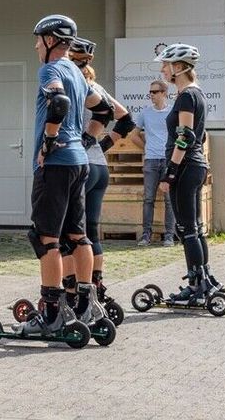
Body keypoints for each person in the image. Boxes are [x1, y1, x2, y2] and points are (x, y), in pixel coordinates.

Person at [15, 15, 114, 338]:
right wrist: (84, 141)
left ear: (52, 41)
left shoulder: (53, 69)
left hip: (55, 165)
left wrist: (48, 142)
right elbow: (105, 112)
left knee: (46, 239)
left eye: (38, 38)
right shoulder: (78, 71)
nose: (34, 44)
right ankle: (85, 303)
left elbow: (58, 102)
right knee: (78, 235)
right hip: (79, 162)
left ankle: (52, 313)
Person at [69, 37, 134, 309]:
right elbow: (127, 119)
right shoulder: (97, 87)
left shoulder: (75, 86)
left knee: (73, 232)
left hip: (80, 164)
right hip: (99, 167)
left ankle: (75, 290)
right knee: (92, 230)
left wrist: (86, 141)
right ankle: (96, 284)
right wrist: (101, 145)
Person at [155, 44, 215, 303]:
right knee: (196, 229)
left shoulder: (186, 96)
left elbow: (186, 136)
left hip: (186, 166)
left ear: (178, 68)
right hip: (195, 165)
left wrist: (170, 172)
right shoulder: (197, 94)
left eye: (166, 65)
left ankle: (196, 287)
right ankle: (204, 280)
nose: (163, 70)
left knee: (186, 229)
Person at [129, 79, 176, 246]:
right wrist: (147, 148)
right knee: (148, 199)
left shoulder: (172, 112)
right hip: (151, 160)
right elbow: (134, 135)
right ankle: (146, 235)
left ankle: (169, 235)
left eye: (155, 92)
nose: (152, 95)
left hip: (169, 160)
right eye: (150, 92)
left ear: (164, 93)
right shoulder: (145, 113)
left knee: (169, 199)